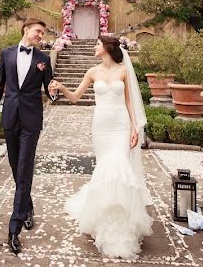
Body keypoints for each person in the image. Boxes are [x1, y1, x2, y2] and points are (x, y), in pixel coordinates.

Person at [49, 35, 152, 260]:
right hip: (101, 127)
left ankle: (122, 227)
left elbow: (129, 102)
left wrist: (134, 127)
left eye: (98, 44)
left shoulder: (123, 71)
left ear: (107, 48)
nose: (95, 47)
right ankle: (103, 220)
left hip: (121, 125)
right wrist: (61, 87)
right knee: (105, 169)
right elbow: (76, 97)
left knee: (120, 168)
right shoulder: (92, 72)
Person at [0, 18, 55, 255]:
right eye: (38, 31)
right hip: (10, 117)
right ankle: (27, 206)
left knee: (25, 167)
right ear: (26, 29)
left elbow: (49, 89)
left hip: (32, 120)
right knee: (16, 166)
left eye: (43, 33)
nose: (40, 36)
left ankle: (14, 230)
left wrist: (54, 92)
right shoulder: (6, 54)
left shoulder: (43, 60)